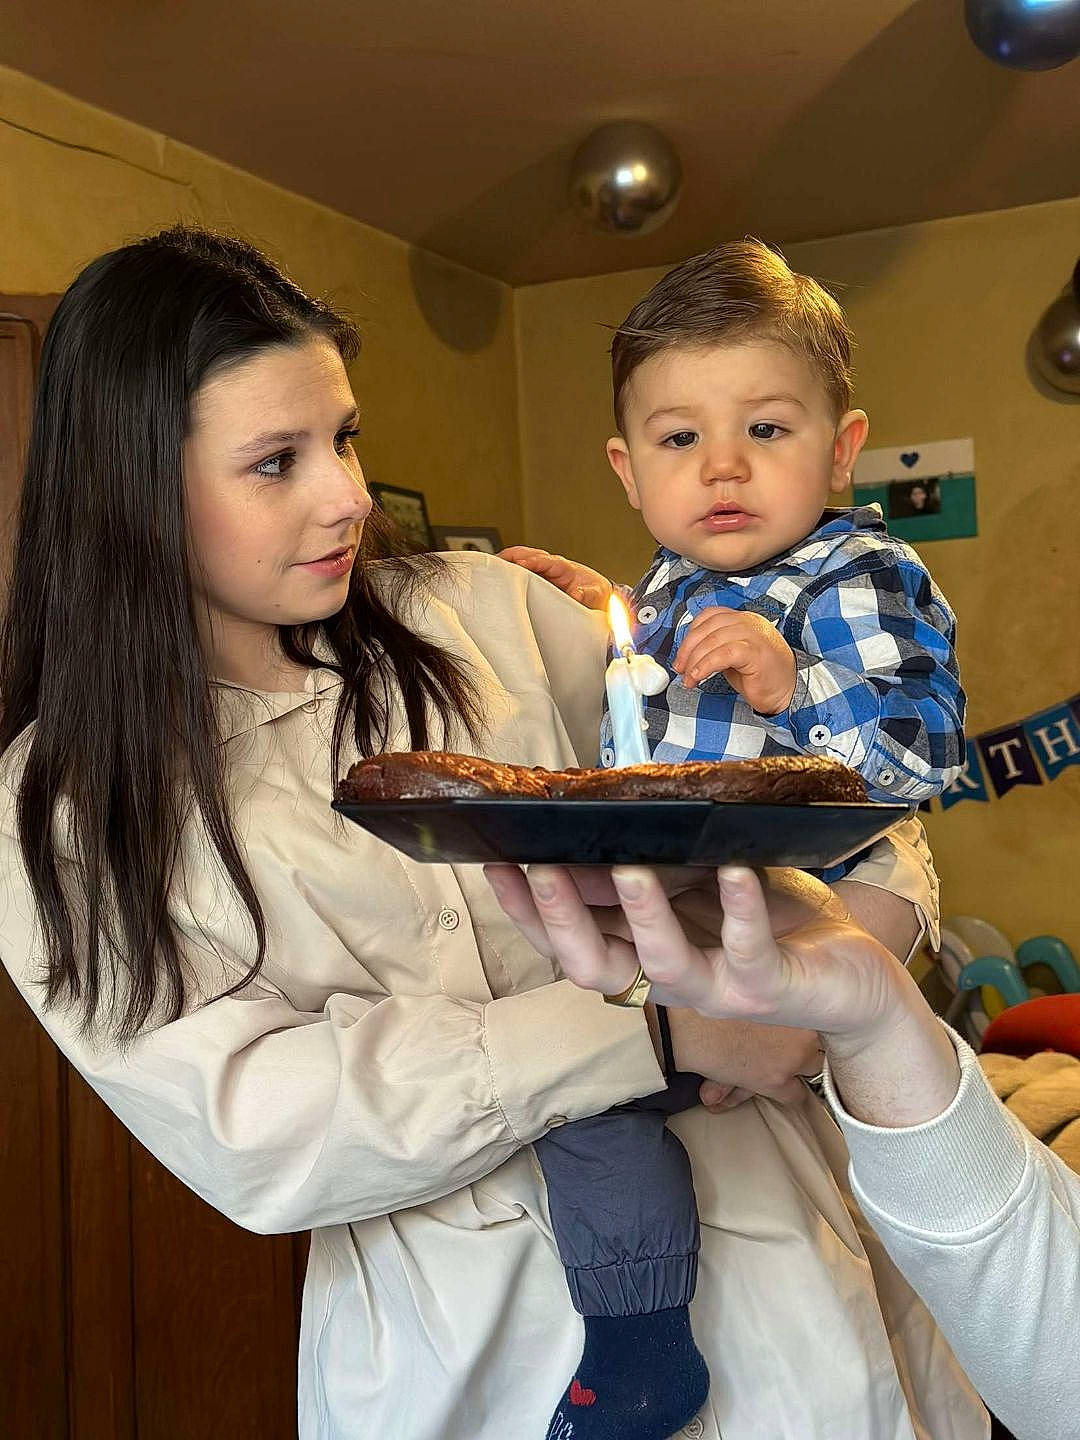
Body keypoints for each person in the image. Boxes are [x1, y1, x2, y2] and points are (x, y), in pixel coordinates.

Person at [0, 226, 986, 1440]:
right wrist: (657, 1037)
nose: (347, 496)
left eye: (346, 437)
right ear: (132, 488)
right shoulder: (61, 804)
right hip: (472, 1359)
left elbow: (823, 801)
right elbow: (256, 1127)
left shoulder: (491, 612)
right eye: (276, 462)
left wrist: (848, 967)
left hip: (794, 1277)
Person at [502, 238, 967, 1437]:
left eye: (765, 430)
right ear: (626, 467)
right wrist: (586, 611)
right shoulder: (658, 590)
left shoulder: (856, 575)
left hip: (820, 896)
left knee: (844, 1095)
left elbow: (920, 759)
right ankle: (641, 1337)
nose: (721, 467)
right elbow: (628, 700)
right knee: (583, 1101)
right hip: (696, 904)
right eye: (677, 440)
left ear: (841, 446)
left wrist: (791, 685)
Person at [488, 858, 1080, 1440]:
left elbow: (895, 834)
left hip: (818, 1228)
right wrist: (877, 1017)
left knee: (592, 1127)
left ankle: (636, 1339)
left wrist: (870, 1011)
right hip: (483, 1315)